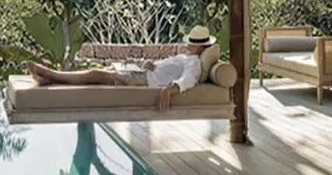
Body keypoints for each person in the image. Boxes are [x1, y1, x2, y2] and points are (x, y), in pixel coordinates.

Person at [27, 25, 215, 113]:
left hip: (143, 80)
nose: (189, 45)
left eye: (193, 43)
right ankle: (50, 79)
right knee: (98, 72)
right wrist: (150, 64)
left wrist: (169, 90)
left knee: (95, 75)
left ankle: (50, 74)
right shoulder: (185, 57)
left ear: (202, 46)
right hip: (143, 73)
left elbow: (188, 80)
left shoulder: (194, 63)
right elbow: (165, 69)